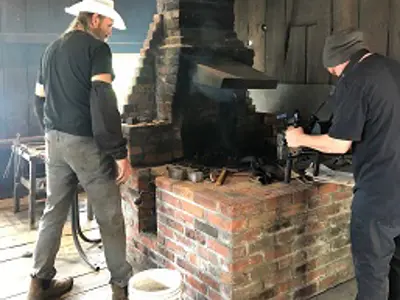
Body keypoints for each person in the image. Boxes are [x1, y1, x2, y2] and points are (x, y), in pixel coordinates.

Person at [28, 0, 133, 299]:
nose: (111, 31)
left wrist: (50, 130)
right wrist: (119, 152)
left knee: (53, 211)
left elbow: (39, 100)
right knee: (110, 215)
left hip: (55, 142)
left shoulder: (51, 49)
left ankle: (40, 284)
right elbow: (103, 98)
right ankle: (121, 288)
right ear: (95, 18)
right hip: (85, 144)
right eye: (110, 24)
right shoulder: (97, 49)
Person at [285, 29, 400, 300]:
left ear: (337, 63)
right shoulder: (394, 68)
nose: (336, 77)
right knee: (396, 268)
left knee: (372, 276)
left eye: (333, 73)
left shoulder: (355, 79)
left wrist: (300, 138)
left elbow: (339, 144)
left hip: (379, 194)